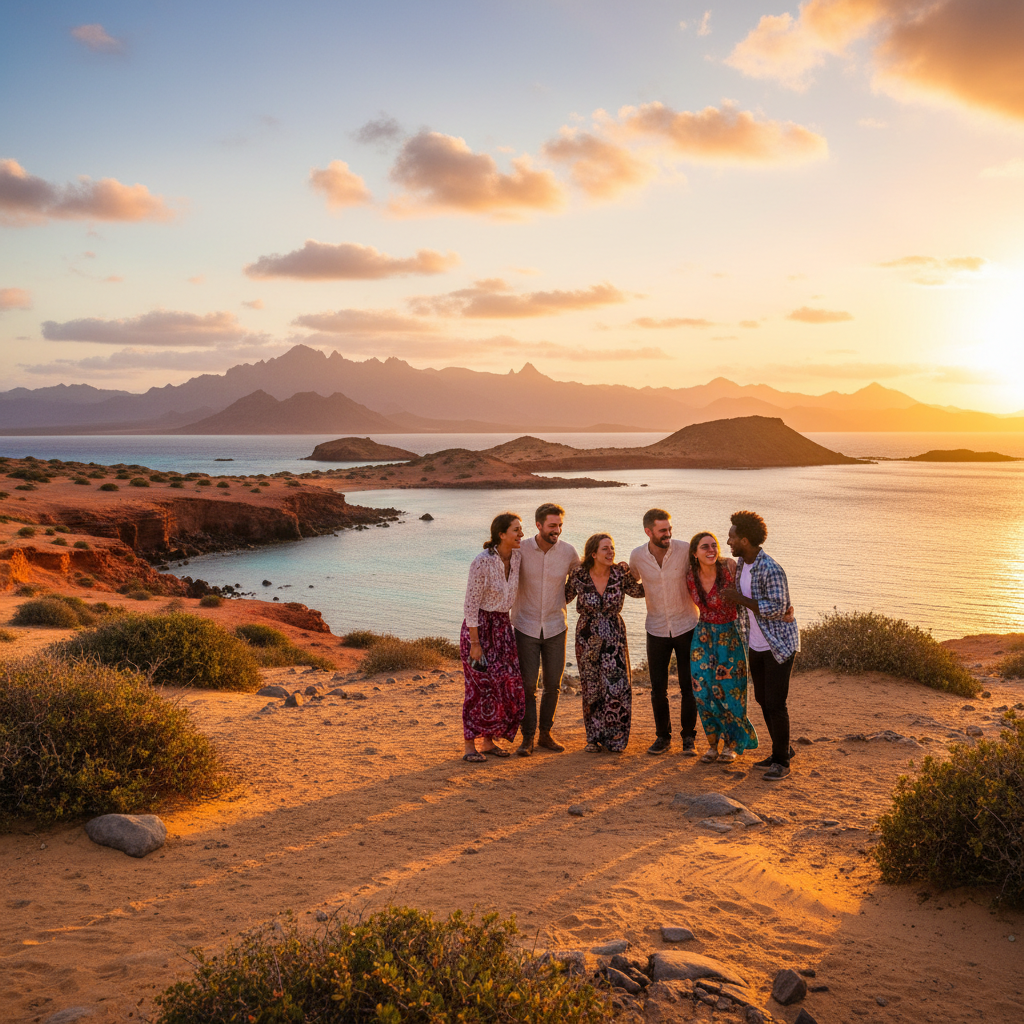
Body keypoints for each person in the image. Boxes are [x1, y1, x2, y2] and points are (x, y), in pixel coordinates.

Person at [722, 510, 800, 781]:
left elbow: (778, 608)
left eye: (731, 537)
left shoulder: (771, 568)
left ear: (744, 539)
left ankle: (781, 762)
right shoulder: (743, 563)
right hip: (755, 644)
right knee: (762, 699)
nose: (728, 541)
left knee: (776, 703)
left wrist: (738, 599)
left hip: (777, 645)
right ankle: (783, 749)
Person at [628, 509, 700, 756]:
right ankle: (662, 737)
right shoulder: (637, 556)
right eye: (662, 531)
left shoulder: (685, 549)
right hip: (656, 628)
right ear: (648, 531)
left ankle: (689, 738)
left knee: (688, 686)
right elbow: (633, 584)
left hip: (687, 626)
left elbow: (705, 568)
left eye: (669, 529)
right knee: (658, 688)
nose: (668, 534)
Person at [565, 533, 645, 752]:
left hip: (614, 636)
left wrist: (645, 568)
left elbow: (640, 592)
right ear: (593, 553)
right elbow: (562, 597)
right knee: (591, 688)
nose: (611, 552)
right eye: (605, 549)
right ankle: (594, 737)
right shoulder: (578, 575)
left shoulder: (620, 573)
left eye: (612, 548)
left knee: (617, 687)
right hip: (587, 636)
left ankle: (616, 738)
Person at [511, 502, 580, 756]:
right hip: (525, 626)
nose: (557, 530)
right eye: (552, 526)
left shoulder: (569, 552)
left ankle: (545, 734)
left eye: (560, 525)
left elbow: (582, 579)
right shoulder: (521, 549)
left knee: (553, 684)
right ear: (538, 525)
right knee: (528, 685)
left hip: (555, 627)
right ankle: (527, 738)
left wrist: (562, 601)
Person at [686, 531, 759, 763]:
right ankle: (712, 745)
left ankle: (732, 744)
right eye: (705, 547)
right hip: (703, 636)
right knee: (703, 691)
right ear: (694, 553)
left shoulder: (728, 567)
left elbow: (751, 587)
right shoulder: (690, 575)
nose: (711, 550)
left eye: (714, 545)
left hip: (730, 635)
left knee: (731, 692)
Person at [460, 512, 527, 763]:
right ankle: (470, 745)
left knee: (506, 685)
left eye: (521, 530)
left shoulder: (518, 556)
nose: (521, 534)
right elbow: (470, 605)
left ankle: (489, 742)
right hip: (479, 628)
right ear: (501, 534)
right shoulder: (482, 561)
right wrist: (475, 644)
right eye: (516, 530)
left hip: (502, 627)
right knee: (478, 689)